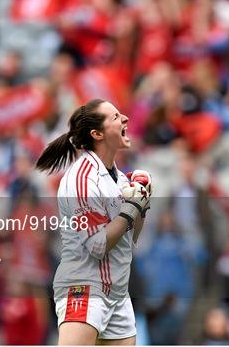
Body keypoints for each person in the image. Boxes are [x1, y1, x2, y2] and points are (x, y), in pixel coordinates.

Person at [36, 99, 152, 345]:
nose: (125, 119)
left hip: (117, 291)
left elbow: (130, 241)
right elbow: (97, 245)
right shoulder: (81, 178)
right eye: (115, 117)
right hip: (84, 287)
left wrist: (142, 204)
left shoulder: (120, 179)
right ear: (97, 134)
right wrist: (131, 208)